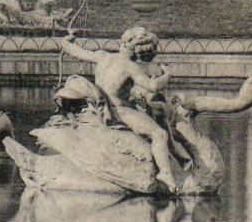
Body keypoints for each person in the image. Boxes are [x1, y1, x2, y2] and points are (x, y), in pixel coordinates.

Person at [57, 26, 180, 192]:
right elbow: (153, 86)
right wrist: (167, 74)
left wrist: (68, 38)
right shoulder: (130, 67)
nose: (141, 58)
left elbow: (71, 49)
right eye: (141, 53)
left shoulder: (103, 56)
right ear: (136, 50)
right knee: (159, 134)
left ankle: (173, 154)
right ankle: (165, 173)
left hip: (102, 108)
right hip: (119, 111)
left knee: (155, 108)